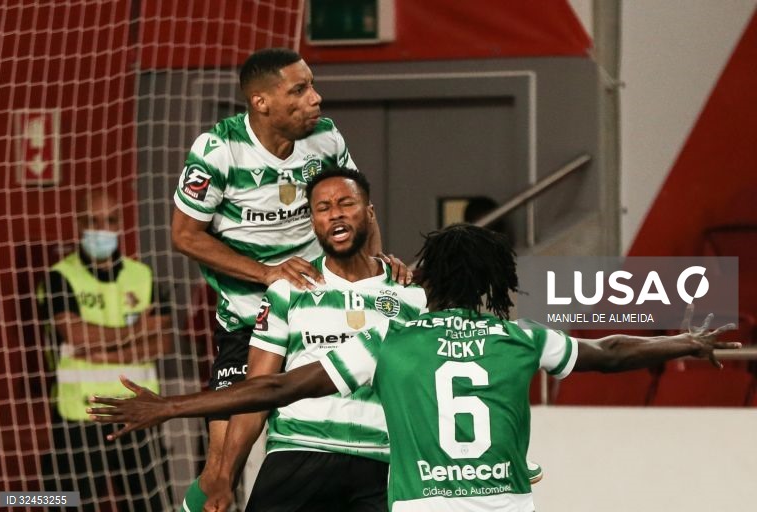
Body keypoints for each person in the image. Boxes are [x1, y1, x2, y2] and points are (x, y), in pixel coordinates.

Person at [87, 224, 739, 511]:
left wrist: (169, 406)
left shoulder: (390, 340)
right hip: (506, 504)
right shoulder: (518, 338)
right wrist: (684, 342)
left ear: (428, 280)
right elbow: (613, 353)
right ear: (493, 282)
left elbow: (277, 386)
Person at [171, 47, 407, 511]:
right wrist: (267, 273)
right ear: (261, 102)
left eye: (311, 85)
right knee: (221, 472)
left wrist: (377, 274)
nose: (315, 98)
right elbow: (185, 235)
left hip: (318, 317)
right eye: (299, 90)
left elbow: (359, 209)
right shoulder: (219, 150)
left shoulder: (325, 138)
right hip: (247, 323)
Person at [37, 189, 172, 511]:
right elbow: (76, 334)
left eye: (109, 221)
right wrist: (135, 331)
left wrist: (108, 354)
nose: (102, 229)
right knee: (67, 502)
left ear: (120, 224)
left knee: (149, 503)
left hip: (137, 408)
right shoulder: (60, 278)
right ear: (79, 224)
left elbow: (163, 341)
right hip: (81, 413)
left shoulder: (143, 276)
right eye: (93, 221)